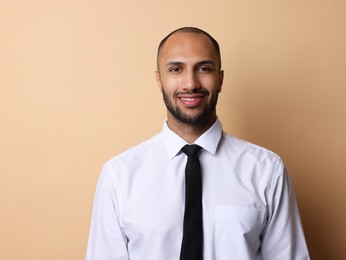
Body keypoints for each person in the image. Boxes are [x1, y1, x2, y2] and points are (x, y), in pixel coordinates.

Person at [86, 27, 310, 260]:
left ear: (220, 79)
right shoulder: (120, 175)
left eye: (203, 68)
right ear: (159, 79)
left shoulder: (266, 171)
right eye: (175, 69)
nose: (190, 83)